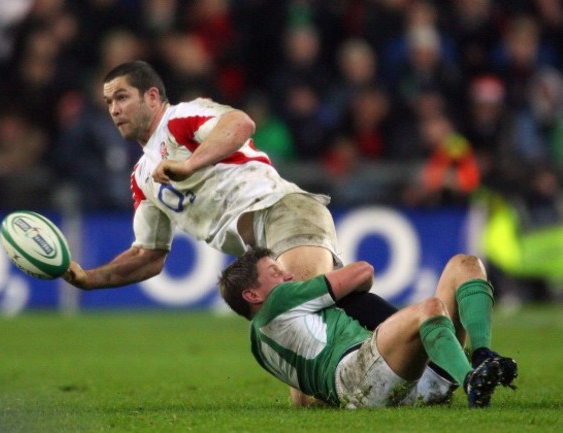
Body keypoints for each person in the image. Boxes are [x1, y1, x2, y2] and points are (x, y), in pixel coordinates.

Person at [61, 60, 399, 405]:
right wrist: (89, 278)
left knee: (308, 323)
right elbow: (148, 256)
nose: (115, 109)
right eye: (108, 103)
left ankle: (421, 351)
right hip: (262, 248)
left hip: (282, 211)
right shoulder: (142, 177)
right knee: (308, 391)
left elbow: (240, 122)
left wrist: (189, 163)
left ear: (151, 96)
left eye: (122, 97)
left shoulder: (180, 118)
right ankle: (417, 339)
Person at [218, 247, 518, 408]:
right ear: (253, 295)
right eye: (275, 272)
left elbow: (308, 385)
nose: (287, 276)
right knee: (428, 308)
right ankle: (470, 379)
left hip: (387, 381)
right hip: (359, 374)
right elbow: (362, 272)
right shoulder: (279, 300)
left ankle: (483, 357)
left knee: (464, 264)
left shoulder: (259, 344)